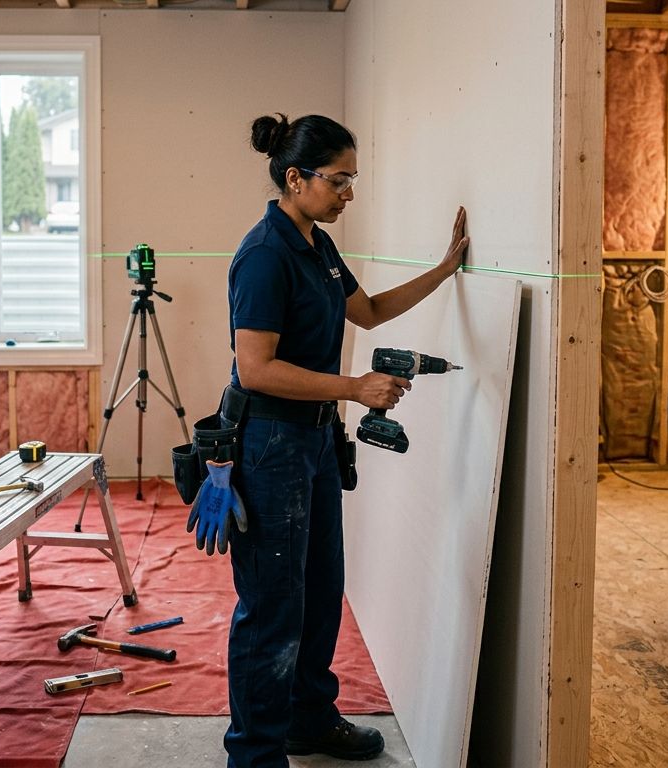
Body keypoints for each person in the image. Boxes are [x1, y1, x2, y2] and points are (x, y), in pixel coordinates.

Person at [220, 112, 469, 768]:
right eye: (340, 179)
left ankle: (308, 719)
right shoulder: (265, 255)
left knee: (321, 589)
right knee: (272, 605)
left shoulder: (316, 245)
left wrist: (445, 270)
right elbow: (256, 369)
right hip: (270, 445)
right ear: (296, 178)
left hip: (314, 444)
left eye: (353, 178)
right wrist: (354, 388)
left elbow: (371, 311)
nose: (350, 192)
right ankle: (254, 756)